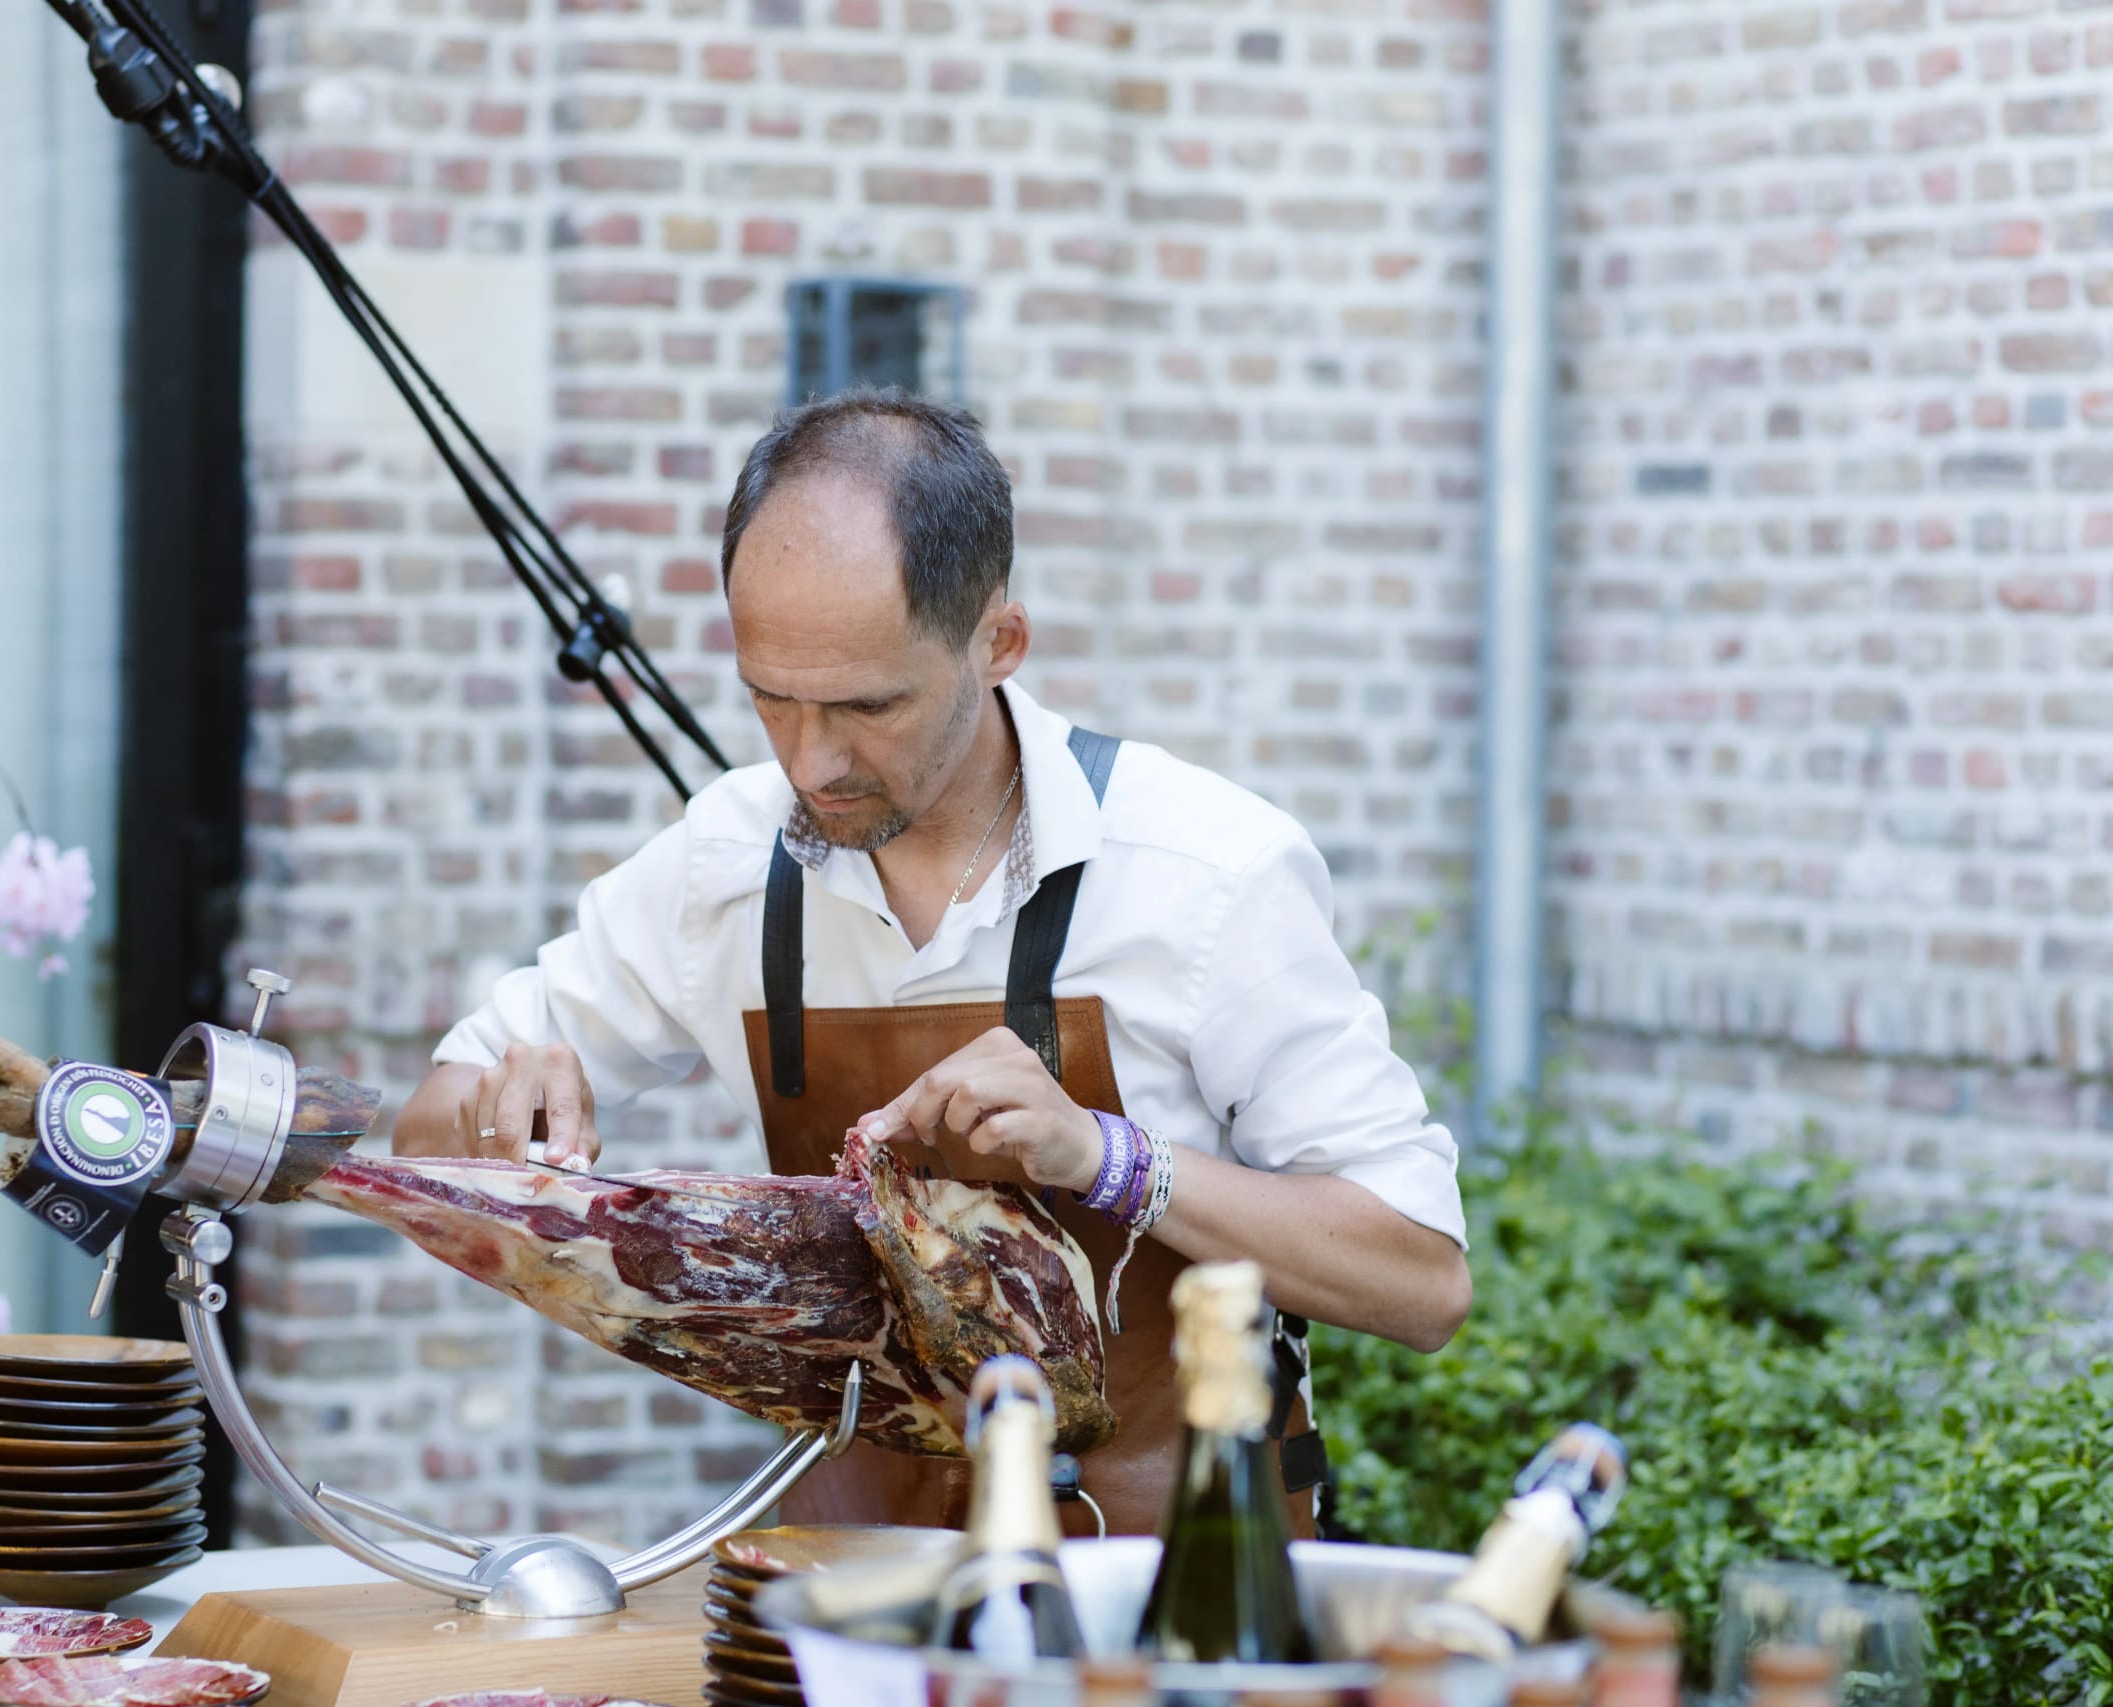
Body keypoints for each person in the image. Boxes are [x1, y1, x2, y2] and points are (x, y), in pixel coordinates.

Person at [392, 388, 1469, 1537]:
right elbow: (423, 1132)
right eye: (770, 699)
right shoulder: (724, 862)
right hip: (850, 1584)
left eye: (867, 707)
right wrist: (500, 1117)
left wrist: (1109, 1161)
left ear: (998, 643)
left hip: (1175, 1590)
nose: (810, 762)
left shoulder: (1206, 874)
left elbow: (1422, 1280)